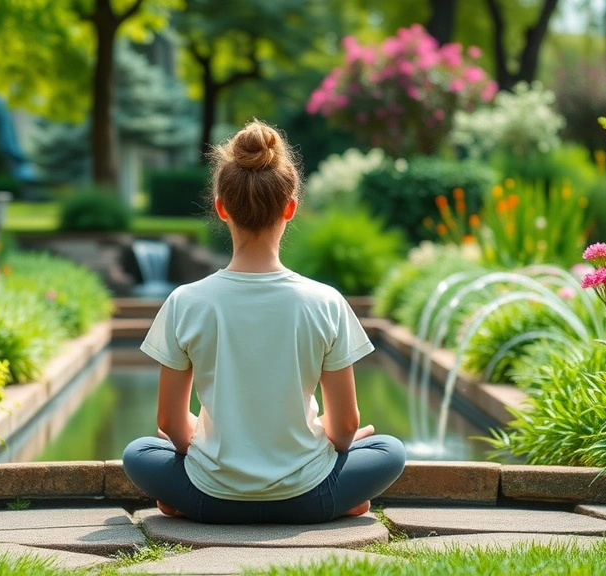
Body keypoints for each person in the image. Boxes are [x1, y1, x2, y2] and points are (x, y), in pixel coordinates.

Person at [122, 120, 406, 524]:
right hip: (309, 493)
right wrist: (331, 439)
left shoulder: (185, 301)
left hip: (210, 497)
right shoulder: (325, 301)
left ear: (221, 207)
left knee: (140, 453)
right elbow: (345, 426)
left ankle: (182, 502)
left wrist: (203, 448)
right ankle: (338, 502)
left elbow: (169, 423)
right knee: (388, 450)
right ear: (291, 207)